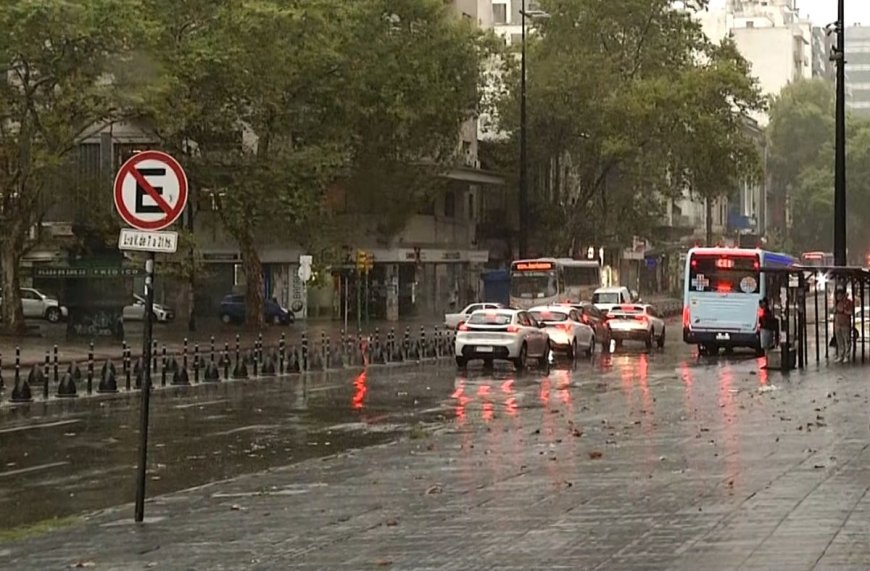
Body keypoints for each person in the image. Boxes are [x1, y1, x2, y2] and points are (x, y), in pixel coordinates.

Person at [834, 285, 854, 363]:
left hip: (845, 324)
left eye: (839, 295)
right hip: (838, 324)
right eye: (837, 295)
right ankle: (840, 355)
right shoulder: (837, 303)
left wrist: (844, 311)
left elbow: (850, 312)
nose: (838, 296)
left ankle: (846, 355)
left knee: (846, 340)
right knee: (839, 341)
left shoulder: (848, 302)